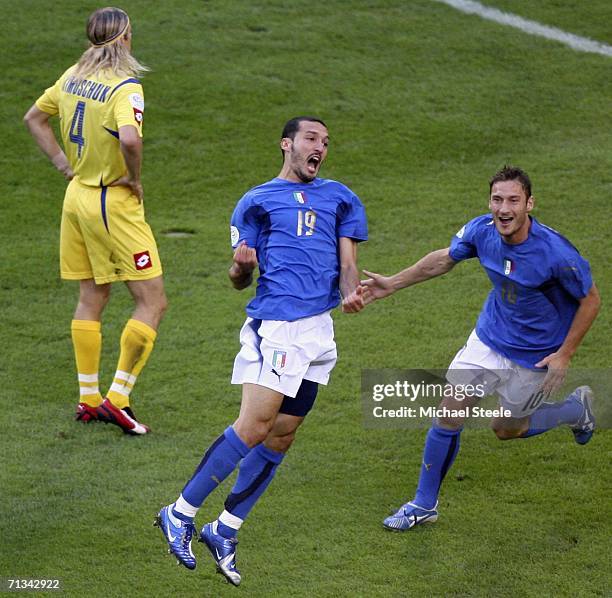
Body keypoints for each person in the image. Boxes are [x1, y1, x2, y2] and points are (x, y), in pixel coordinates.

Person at [155, 116, 368, 585]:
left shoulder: (342, 198)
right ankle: (180, 511)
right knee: (253, 426)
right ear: (286, 144)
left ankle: (224, 528)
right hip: (277, 328)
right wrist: (239, 267)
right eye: (312, 139)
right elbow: (238, 281)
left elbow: (349, 264)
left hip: (319, 332)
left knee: (281, 436)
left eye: (327, 142)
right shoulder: (255, 202)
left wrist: (352, 292)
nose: (321, 148)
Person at [361, 166, 600, 531]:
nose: (504, 209)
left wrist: (565, 355)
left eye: (513, 200)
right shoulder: (482, 232)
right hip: (489, 340)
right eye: (497, 199)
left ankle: (573, 410)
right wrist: (393, 284)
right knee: (449, 411)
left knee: (506, 430)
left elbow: (591, 301)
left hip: (535, 355)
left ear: (529, 204)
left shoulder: (555, 253)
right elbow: (443, 258)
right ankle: (424, 504)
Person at [24, 7, 166, 435]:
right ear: (124, 38)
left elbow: (34, 117)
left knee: (93, 295)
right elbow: (130, 138)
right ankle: (117, 399)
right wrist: (135, 179)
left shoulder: (71, 77)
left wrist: (60, 162)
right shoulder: (126, 87)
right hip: (111, 202)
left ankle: (88, 398)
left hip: (77, 197)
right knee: (152, 301)